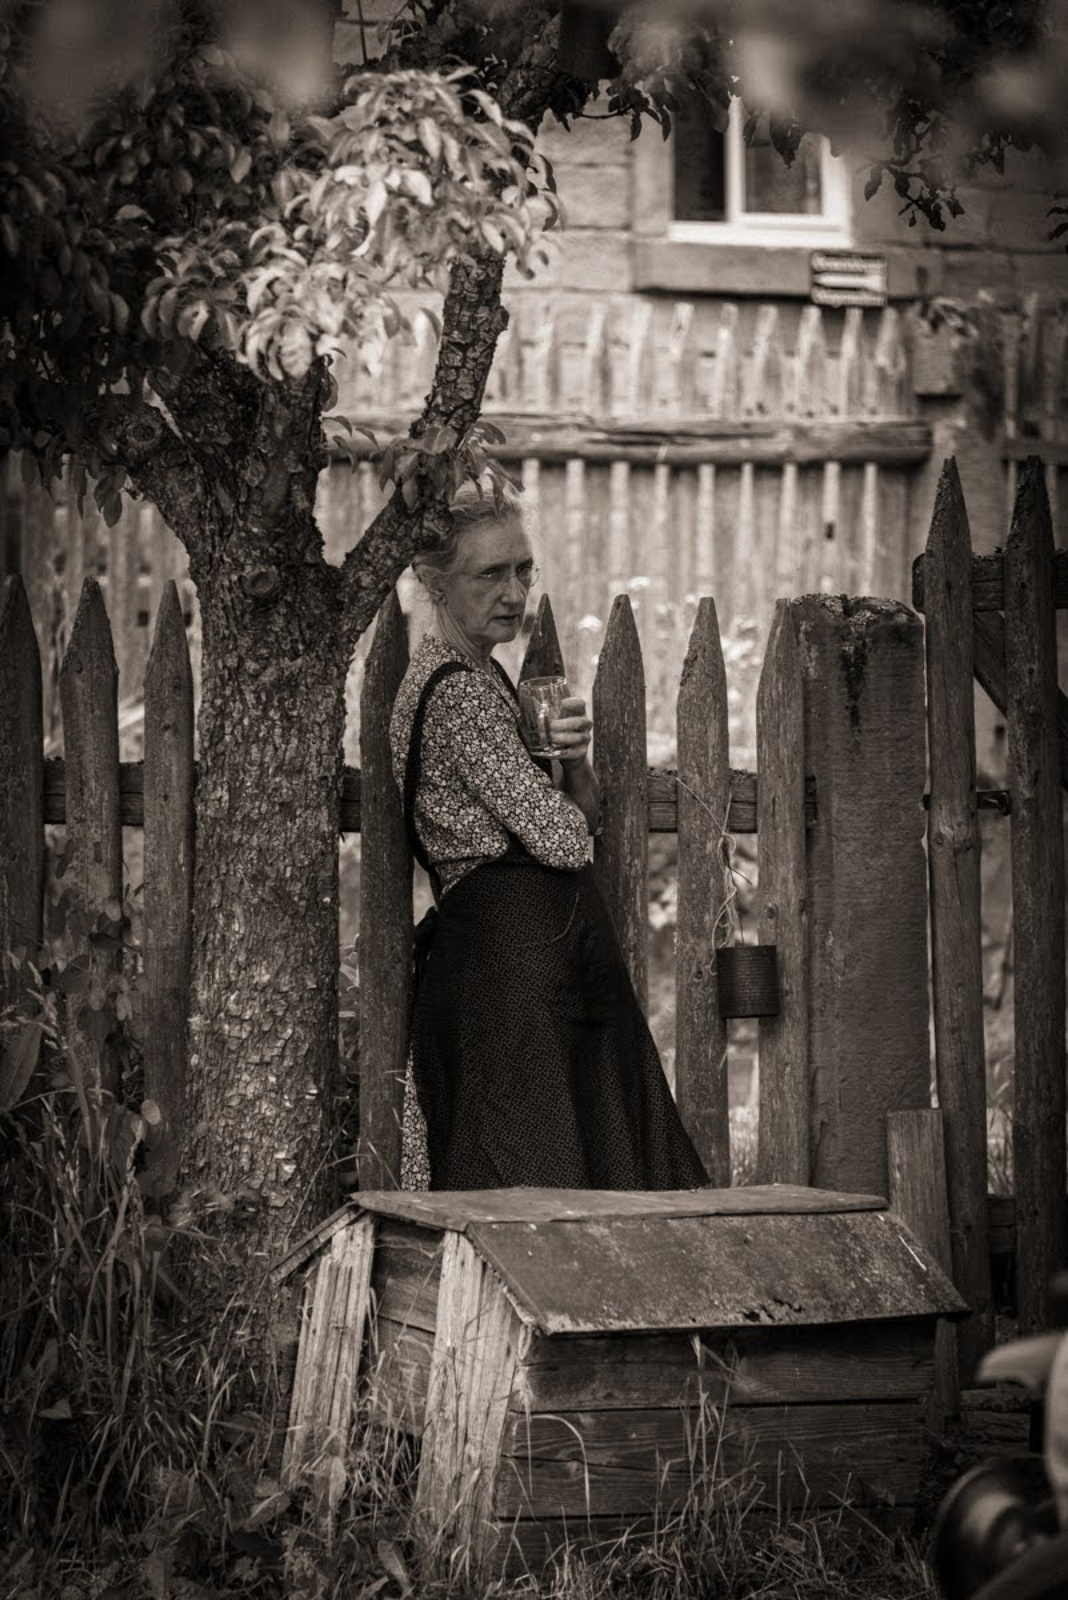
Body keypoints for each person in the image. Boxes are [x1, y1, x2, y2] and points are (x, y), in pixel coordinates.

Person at [389, 477, 708, 1192]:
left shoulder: (484, 677)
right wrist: (557, 798)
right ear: (436, 584)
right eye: (490, 574)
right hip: (510, 975)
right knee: (534, 1189)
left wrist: (573, 760)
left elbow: (582, 814)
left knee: (567, 1182)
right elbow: (565, 840)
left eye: (523, 570)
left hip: (538, 969)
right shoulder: (459, 693)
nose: (514, 592)